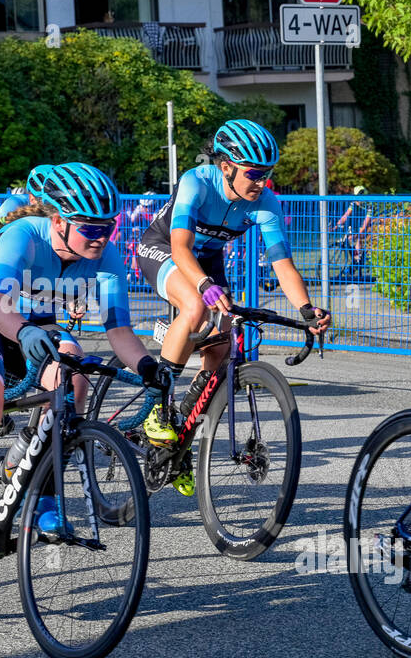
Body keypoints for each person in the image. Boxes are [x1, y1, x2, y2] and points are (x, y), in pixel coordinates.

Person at [0, 162, 170, 559]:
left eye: (108, 227)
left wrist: (150, 369)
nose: (101, 237)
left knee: (75, 379)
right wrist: (25, 332)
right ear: (59, 220)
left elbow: (120, 333)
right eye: (90, 228)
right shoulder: (23, 236)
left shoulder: (107, 257)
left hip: (36, 322)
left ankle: (41, 488)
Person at [135, 119, 330, 493]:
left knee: (223, 348)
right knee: (194, 306)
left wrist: (307, 310)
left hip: (207, 261)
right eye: (254, 173)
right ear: (226, 166)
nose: (261, 182)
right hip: (165, 249)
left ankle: (181, 440)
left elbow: (282, 264)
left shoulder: (265, 202)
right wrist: (205, 286)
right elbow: (180, 248)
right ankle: (158, 406)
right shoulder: (197, 181)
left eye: (267, 174)